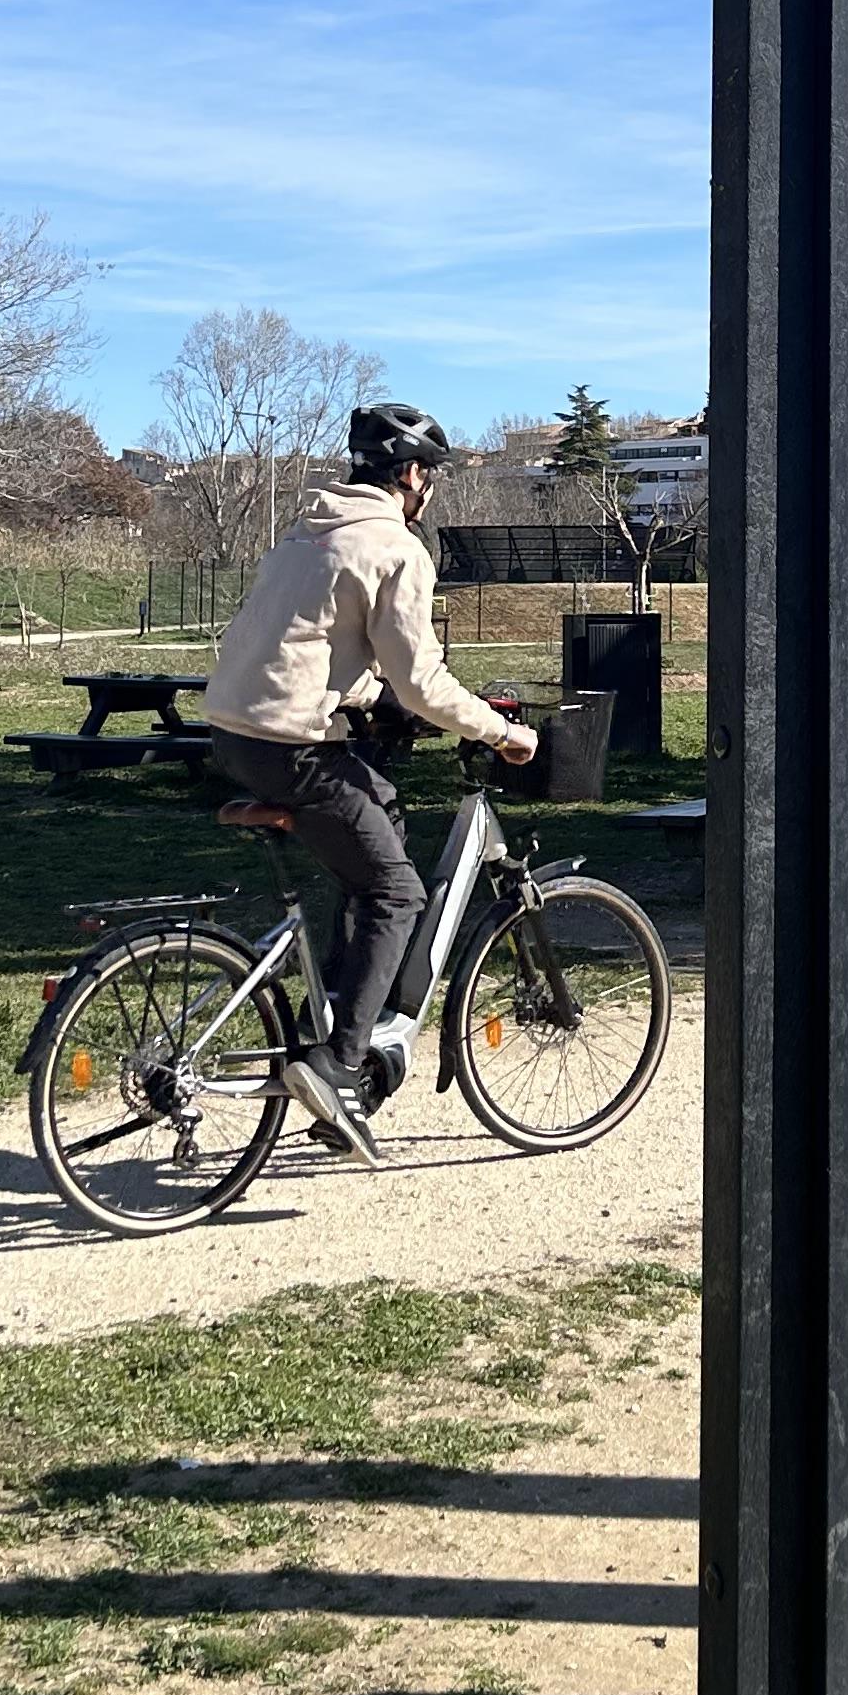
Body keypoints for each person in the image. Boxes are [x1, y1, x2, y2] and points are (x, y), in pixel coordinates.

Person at [201, 400, 537, 1166]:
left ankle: (346, 1021)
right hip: (294, 745)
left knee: (378, 821)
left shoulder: (302, 532)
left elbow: (304, 644)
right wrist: (500, 730)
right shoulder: (394, 547)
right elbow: (420, 679)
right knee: (398, 892)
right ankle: (338, 1067)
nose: (432, 493)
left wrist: (362, 695)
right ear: (412, 476)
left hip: (233, 734)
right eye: (433, 479)